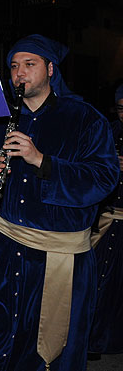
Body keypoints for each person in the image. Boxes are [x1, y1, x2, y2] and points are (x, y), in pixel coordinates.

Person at [0, 34, 119, 371]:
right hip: (1, 250)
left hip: (57, 257)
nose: (20, 73)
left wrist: (41, 160)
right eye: (14, 66)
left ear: (49, 68)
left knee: (47, 351)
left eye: (29, 65)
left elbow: (103, 178)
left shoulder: (85, 119)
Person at [87, 83, 123, 359]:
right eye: (121, 108)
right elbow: (89, 165)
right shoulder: (108, 130)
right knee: (97, 279)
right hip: (107, 216)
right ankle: (92, 339)